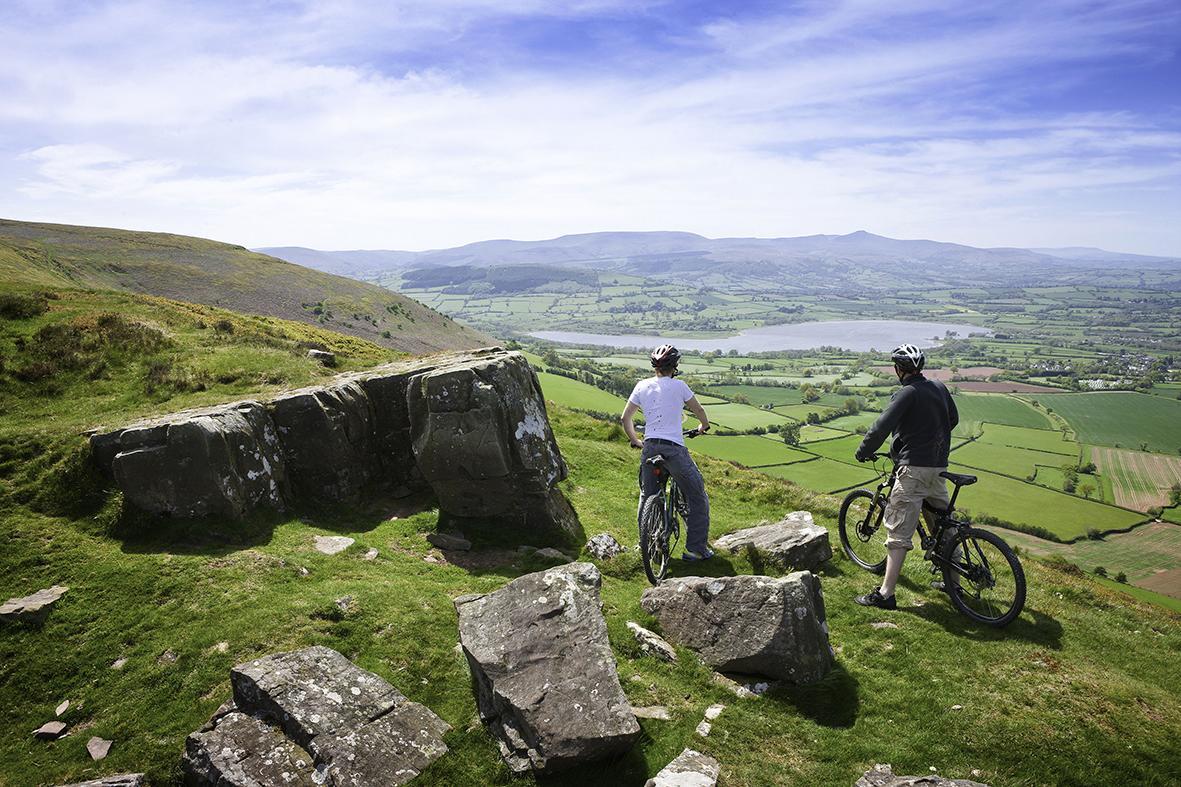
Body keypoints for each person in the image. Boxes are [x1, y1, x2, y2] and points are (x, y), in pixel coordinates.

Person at [853, 343, 959, 610]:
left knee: (899, 531)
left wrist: (863, 451)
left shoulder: (906, 394)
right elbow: (952, 419)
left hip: (913, 470)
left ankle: (886, 594)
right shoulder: (939, 387)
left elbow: (880, 428)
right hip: (938, 467)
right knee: (944, 525)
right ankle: (954, 583)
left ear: (899, 369)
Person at [620, 344, 715, 561]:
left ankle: (648, 546)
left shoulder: (642, 386)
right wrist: (703, 426)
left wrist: (635, 440)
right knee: (697, 494)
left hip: (650, 447)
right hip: (673, 448)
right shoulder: (679, 386)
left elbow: (625, 418)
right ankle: (695, 549)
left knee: (647, 496)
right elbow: (698, 410)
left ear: (654, 366)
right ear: (675, 366)